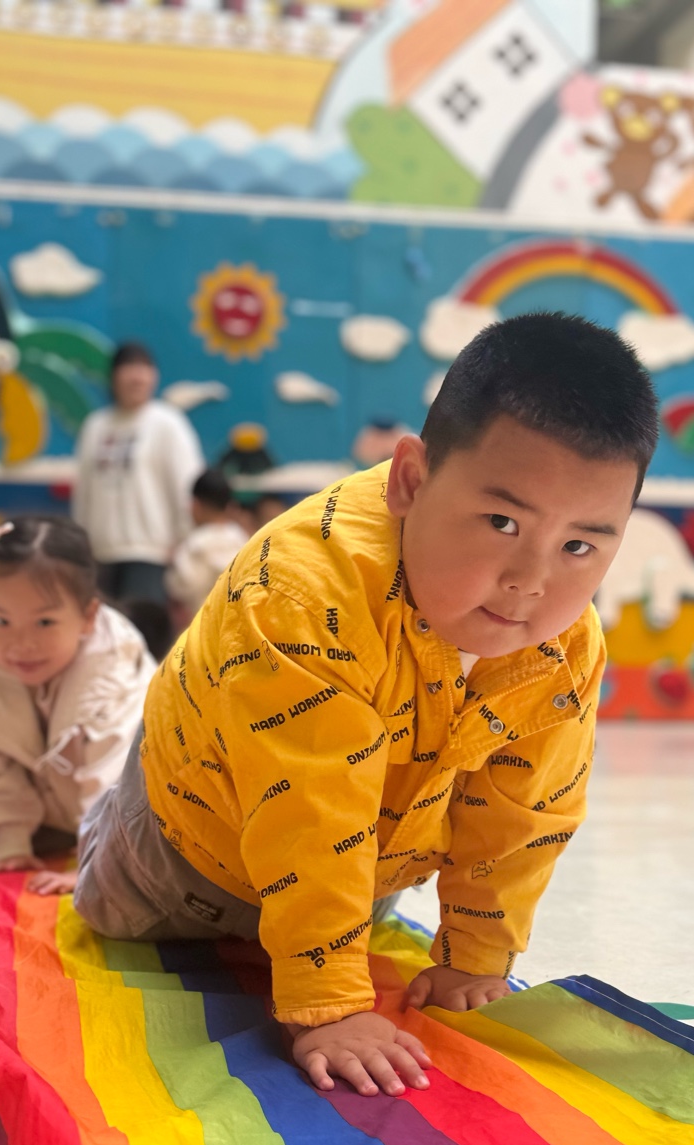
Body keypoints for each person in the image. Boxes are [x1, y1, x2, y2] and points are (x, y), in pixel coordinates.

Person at [75, 313, 657, 1098]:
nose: (530, 580)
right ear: (409, 480)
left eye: (579, 546)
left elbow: (526, 810)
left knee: (360, 869)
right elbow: (308, 808)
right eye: (502, 522)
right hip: (184, 850)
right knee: (110, 914)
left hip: (367, 864)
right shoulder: (301, 594)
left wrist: (474, 958)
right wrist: (328, 1005)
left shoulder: (565, 646)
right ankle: (94, 812)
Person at [0, 516, 156, 895]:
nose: (21, 643)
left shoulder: (114, 672)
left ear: (88, 617)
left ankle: (101, 846)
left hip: (123, 813)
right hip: (47, 806)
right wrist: (8, 842)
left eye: (44, 622)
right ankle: (17, 826)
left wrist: (97, 866)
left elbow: (119, 777)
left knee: (159, 844)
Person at [71, 341, 205, 606]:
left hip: (151, 554)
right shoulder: (96, 426)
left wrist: (184, 541)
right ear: (113, 377)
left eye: (145, 368)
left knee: (143, 628)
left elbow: (188, 487)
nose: (137, 377)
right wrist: (83, 546)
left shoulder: (168, 423)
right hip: (101, 555)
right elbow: (83, 492)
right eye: (129, 368)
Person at [165, 469, 250, 620]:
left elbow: (180, 590)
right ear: (229, 506)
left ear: (196, 505)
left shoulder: (194, 546)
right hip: (238, 622)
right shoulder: (243, 540)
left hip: (204, 625)